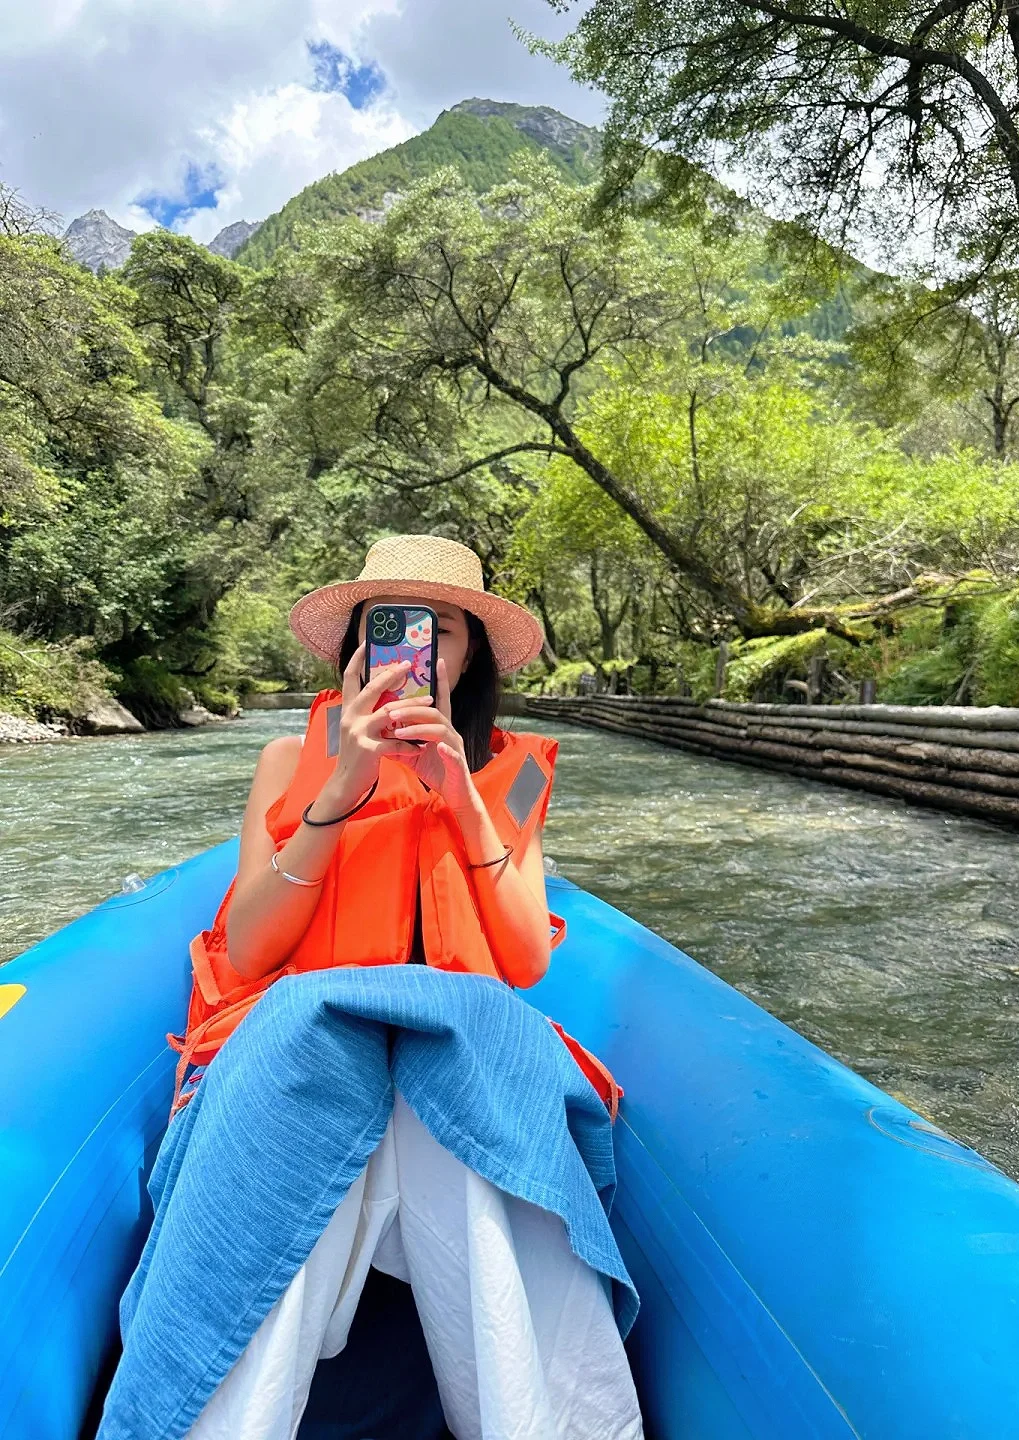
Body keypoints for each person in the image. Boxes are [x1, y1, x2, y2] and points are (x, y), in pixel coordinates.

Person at [97, 534, 642, 1440]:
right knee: (327, 1052)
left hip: (450, 1048)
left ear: (465, 661)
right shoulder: (290, 762)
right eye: (389, 630)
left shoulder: (508, 782)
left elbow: (519, 962)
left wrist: (460, 798)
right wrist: (341, 791)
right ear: (357, 648)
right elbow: (251, 946)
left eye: (442, 633)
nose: (414, 650)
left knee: (446, 1090)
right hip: (310, 1037)